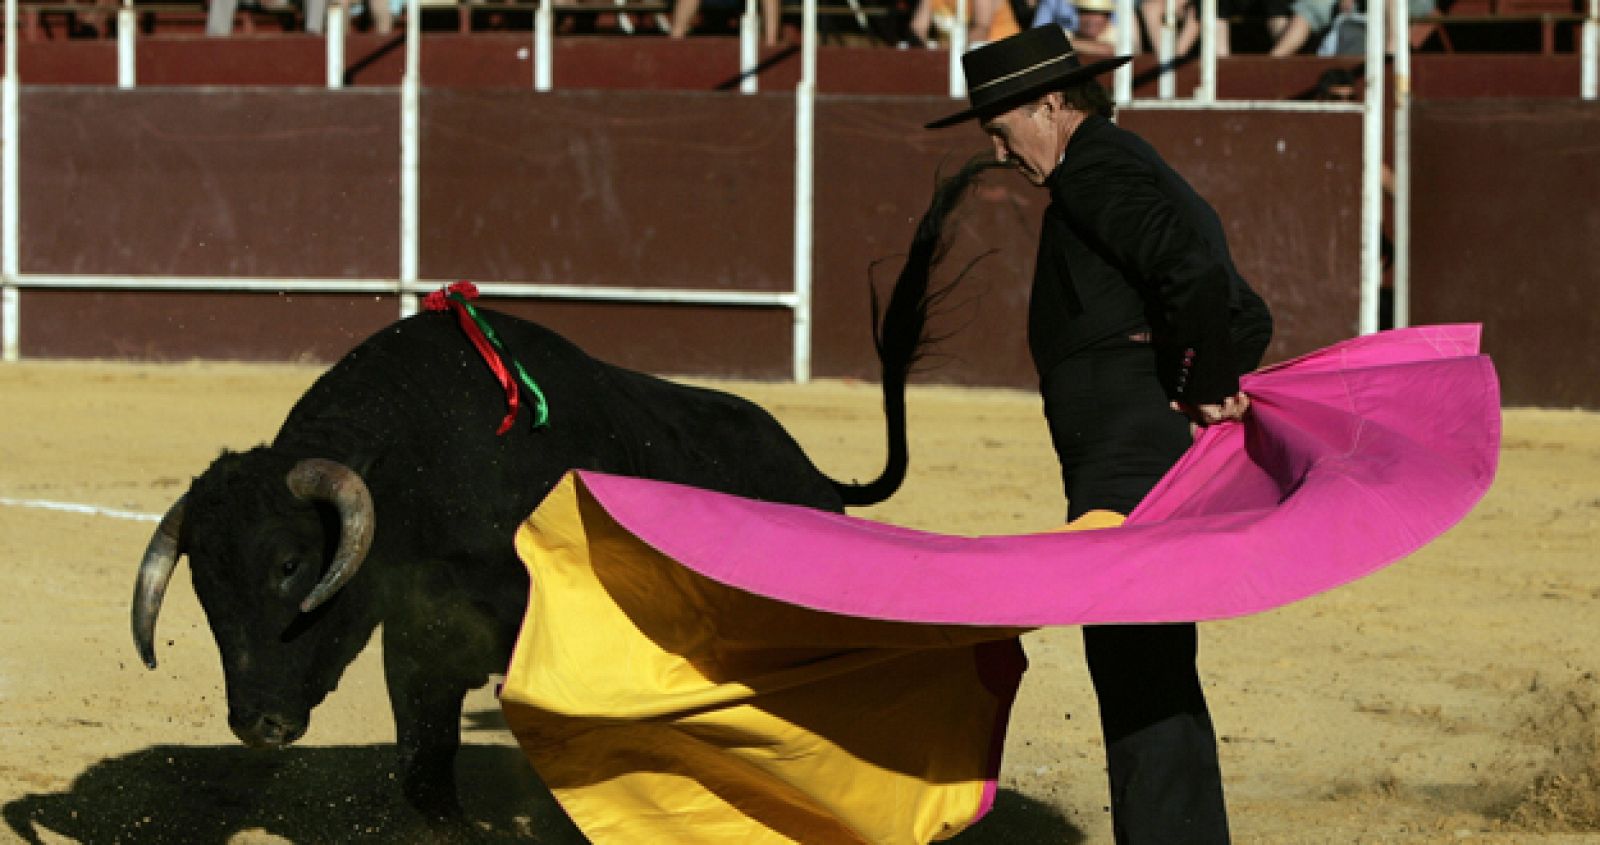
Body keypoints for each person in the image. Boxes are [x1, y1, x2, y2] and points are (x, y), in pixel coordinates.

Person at [925, 24, 1273, 844]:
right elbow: (1241, 309)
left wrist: (1201, 382)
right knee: (1144, 651)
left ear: (1050, 103)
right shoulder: (1125, 164)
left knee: (1135, 653)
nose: (1004, 155)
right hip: (1133, 440)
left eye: (1004, 132)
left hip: (1126, 450)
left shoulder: (1097, 167)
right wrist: (1199, 377)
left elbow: (1190, 273)